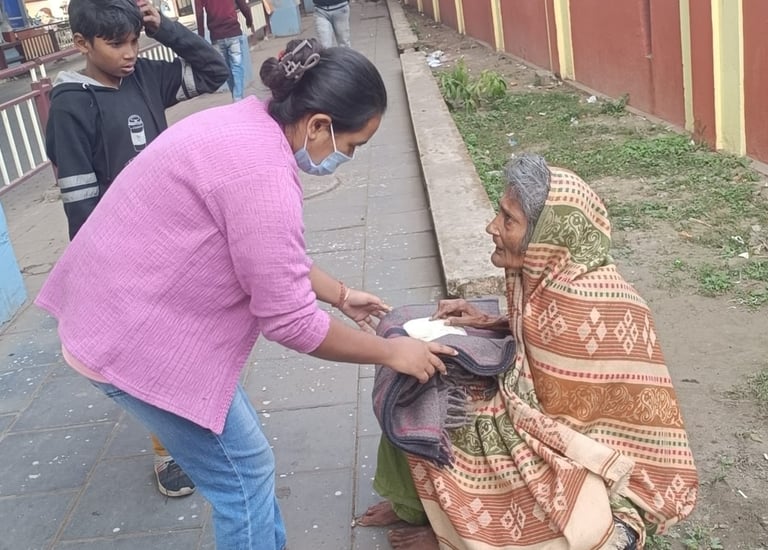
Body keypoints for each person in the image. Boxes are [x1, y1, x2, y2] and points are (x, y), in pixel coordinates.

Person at [35, 37, 457, 550]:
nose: (347, 157)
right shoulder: (262, 173)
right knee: (243, 478)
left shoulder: (247, 123)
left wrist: (340, 293)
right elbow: (291, 323)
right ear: (319, 125)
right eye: (352, 145)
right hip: (131, 336)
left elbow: (263, 251)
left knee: (246, 460)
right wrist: (392, 353)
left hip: (120, 309)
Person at [358, 154, 699, 549]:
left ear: (546, 236)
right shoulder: (552, 274)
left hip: (581, 446)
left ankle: (457, 532)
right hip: (545, 416)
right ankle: (415, 507)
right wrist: (488, 322)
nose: (492, 227)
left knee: (428, 396)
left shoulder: (584, 302)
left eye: (508, 220)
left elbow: (550, 416)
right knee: (413, 377)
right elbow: (537, 345)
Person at [44, 0, 228, 497]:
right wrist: (101, 272)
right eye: (115, 44)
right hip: (124, 258)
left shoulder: (144, 76)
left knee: (189, 342)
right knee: (155, 355)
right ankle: (169, 452)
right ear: (82, 44)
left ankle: (201, 423)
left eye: (133, 41)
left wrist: (163, 27)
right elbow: (80, 200)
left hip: (175, 241)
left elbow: (213, 72)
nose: (129, 53)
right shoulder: (72, 104)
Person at [195, 0, 255, 101]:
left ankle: (236, 97)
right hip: (233, 32)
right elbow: (243, 5)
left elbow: (199, 13)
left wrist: (201, 38)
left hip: (216, 36)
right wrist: (249, 20)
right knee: (237, 67)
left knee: (226, 70)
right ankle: (237, 98)